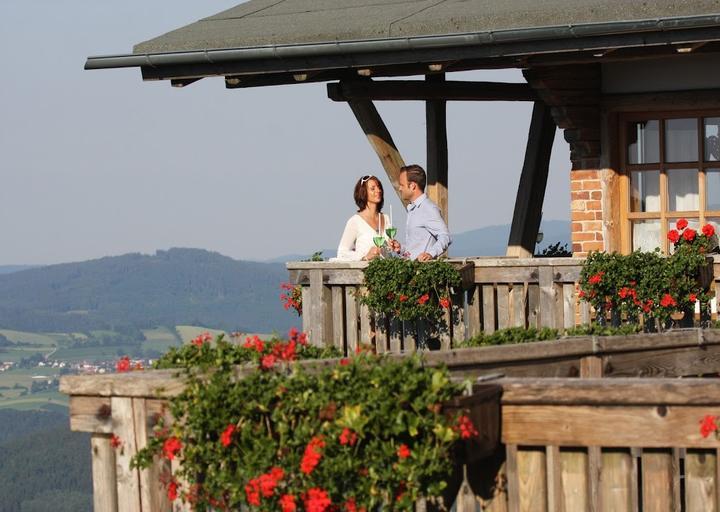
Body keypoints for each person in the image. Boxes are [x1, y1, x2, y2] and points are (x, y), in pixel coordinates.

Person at [390, 164, 451, 261]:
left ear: (412, 186)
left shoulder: (428, 208)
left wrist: (431, 254)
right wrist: (400, 249)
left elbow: (445, 236)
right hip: (411, 271)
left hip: (423, 273)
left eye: (402, 185)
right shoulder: (413, 209)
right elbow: (414, 249)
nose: (400, 188)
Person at [333, 175, 390, 261]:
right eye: (373, 188)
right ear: (363, 192)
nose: (378, 191)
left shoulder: (386, 218)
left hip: (387, 272)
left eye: (379, 187)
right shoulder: (355, 221)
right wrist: (365, 257)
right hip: (366, 272)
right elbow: (342, 253)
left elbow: (388, 250)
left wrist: (395, 246)